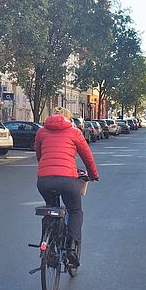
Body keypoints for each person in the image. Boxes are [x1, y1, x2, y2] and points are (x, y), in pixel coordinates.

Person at [35, 108, 99, 266]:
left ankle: (48, 248)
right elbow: (87, 156)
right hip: (68, 180)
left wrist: (47, 169)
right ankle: (71, 247)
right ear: (69, 119)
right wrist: (93, 175)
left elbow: (39, 155)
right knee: (75, 211)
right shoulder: (74, 132)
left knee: (50, 210)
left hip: (44, 180)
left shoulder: (41, 132)